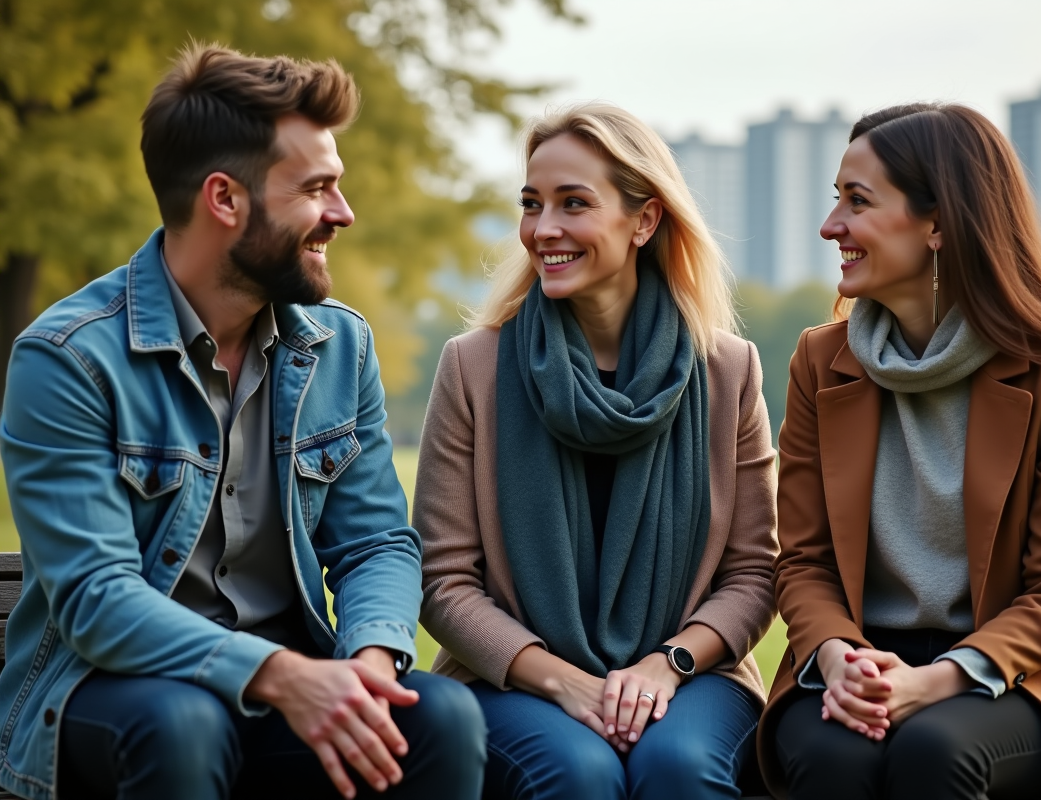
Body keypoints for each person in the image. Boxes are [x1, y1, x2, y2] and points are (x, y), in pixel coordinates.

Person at [0, 44, 485, 800]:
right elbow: (97, 598)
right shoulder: (68, 359)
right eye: (316, 188)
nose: (342, 213)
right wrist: (280, 675)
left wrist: (369, 663)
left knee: (441, 718)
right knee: (184, 724)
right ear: (224, 199)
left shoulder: (340, 346)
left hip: (291, 688)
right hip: (114, 693)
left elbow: (375, 543)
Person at [758, 102, 1041, 800]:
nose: (831, 226)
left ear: (940, 224)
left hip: (1018, 673)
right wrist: (838, 659)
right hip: (855, 656)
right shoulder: (818, 362)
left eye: (857, 201)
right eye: (837, 200)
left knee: (935, 751)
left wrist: (938, 680)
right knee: (835, 759)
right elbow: (803, 560)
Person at [413, 102, 778, 800]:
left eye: (573, 203)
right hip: (512, 677)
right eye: (531, 204)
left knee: (677, 768)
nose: (543, 228)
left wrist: (666, 665)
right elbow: (444, 580)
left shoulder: (729, 371)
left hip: (691, 673)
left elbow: (754, 573)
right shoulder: (474, 367)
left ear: (644, 221)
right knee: (577, 772)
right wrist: (565, 683)